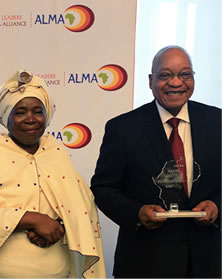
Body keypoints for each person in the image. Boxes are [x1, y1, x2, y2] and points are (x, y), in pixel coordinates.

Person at [0, 70, 106, 278]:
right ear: (7, 117)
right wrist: (32, 220)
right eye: (20, 112)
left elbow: (81, 205)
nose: (30, 119)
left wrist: (57, 226)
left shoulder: (55, 151)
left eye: (38, 111)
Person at [91, 46, 221, 277]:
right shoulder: (123, 129)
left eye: (185, 74)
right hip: (146, 261)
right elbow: (103, 188)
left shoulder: (217, 122)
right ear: (151, 81)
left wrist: (217, 206)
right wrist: (137, 212)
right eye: (165, 75)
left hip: (208, 261)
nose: (176, 83)